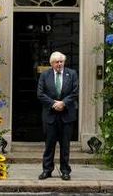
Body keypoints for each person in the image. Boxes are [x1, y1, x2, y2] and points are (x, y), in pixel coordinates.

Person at [37, 51, 78, 181]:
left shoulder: (72, 74)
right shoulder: (45, 75)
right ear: (52, 63)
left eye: (61, 61)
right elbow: (40, 93)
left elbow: (75, 92)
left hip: (67, 115)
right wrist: (54, 104)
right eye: (57, 62)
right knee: (49, 145)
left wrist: (64, 103)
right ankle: (47, 170)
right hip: (50, 116)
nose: (59, 64)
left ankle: (65, 170)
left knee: (65, 146)